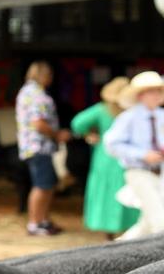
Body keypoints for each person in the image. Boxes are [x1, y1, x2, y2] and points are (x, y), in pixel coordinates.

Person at [70, 76, 138, 238]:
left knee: (107, 192)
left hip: (105, 157)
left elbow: (77, 123)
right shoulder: (132, 111)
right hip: (128, 157)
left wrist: (89, 133)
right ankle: (128, 230)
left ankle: (110, 233)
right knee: (129, 191)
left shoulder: (102, 109)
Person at [103, 70, 164, 236]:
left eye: (159, 90)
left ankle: (117, 254)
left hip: (160, 173)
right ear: (140, 95)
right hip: (138, 171)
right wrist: (142, 154)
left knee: (146, 225)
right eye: (151, 91)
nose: (156, 95)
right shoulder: (128, 118)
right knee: (160, 221)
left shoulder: (161, 116)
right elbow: (111, 144)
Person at [15, 61, 70, 236]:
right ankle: (34, 224)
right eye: (49, 74)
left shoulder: (27, 92)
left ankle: (43, 221)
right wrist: (57, 134)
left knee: (47, 185)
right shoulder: (37, 95)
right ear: (43, 75)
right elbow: (39, 124)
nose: (51, 78)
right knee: (41, 185)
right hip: (40, 146)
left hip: (34, 146)